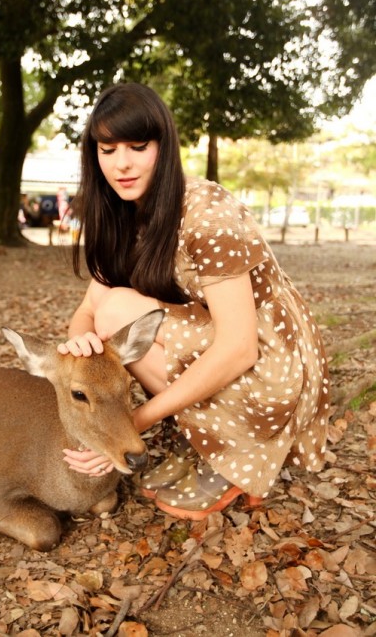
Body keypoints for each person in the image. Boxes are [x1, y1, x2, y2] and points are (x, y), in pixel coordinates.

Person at [57, 82, 330, 521]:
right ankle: (204, 438)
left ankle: (233, 455)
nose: (121, 163)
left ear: (164, 147)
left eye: (138, 146)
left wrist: (135, 423)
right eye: (107, 150)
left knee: (120, 314)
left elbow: (240, 346)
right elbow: (88, 311)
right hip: (212, 336)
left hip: (271, 359)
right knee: (110, 316)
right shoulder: (120, 209)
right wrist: (81, 350)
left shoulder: (206, 213)